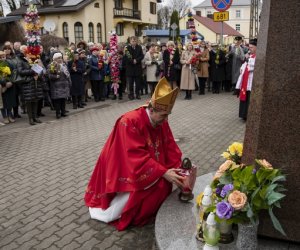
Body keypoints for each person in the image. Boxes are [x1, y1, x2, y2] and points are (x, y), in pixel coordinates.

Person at [84, 77, 184, 231]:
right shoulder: (129, 122)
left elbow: (169, 145)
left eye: (167, 115)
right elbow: (134, 157)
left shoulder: (161, 119)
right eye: (163, 115)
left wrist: (179, 168)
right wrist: (163, 171)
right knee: (154, 187)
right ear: (151, 109)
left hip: (149, 166)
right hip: (121, 164)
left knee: (163, 184)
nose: (166, 120)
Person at [235, 38, 257, 121]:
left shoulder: (257, 56)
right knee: (245, 97)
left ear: (256, 47)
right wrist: (243, 66)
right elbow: (244, 65)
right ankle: (243, 114)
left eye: (251, 47)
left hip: (252, 81)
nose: (249, 49)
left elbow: (252, 67)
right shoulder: (250, 55)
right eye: (249, 47)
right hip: (245, 80)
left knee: (250, 98)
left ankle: (249, 115)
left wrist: (248, 61)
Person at [47, 52, 71, 119]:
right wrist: (55, 77)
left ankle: (63, 112)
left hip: (64, 85)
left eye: (61, 58)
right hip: (56, 86)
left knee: (63, 100)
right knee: (57, 101)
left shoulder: (64, 65)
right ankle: (58, 113)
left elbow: (68, 74)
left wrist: (69, 83)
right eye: (58, 58)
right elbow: (49, 75)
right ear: (54, 59)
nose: (60, 59)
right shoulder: (51, 65)